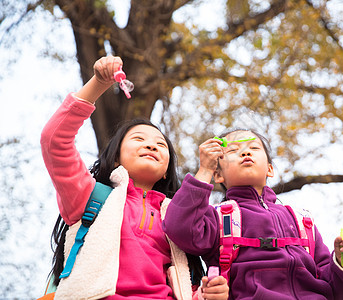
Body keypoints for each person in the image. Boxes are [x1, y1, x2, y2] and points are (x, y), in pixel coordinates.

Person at [40, 56, 228, 299]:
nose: (151, 146)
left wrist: (209, 293)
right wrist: (98, 83)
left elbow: (186, 285)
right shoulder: (89, 197)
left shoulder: (176, 217)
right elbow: (54, 140)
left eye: (161, 145)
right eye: (139, 139)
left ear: (165, 170)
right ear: (116, 158)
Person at [163, 129, 343, 299]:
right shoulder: (218, 217)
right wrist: (204, 171)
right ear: (218, 174)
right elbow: (179, 228)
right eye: (234, 150)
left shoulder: (301, 221)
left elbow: (334, 288)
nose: (245, 153)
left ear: (270, 169)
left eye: (253, 148)